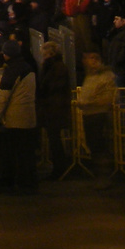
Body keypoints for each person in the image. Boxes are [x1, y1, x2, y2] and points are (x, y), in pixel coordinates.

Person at [0, 41, 38, 195]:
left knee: (8, 154)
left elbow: (3, 96)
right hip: (28, 116)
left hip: (14, 119)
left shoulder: (12, 71)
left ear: (6, 54)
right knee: (26, 154)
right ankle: (28, 183)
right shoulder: (28, 67)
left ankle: (8, 184)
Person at [77, 49, 117, 182]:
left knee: (100, 147)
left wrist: (87, 103)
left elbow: (107, 98)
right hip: (89, 115)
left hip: (99, 115)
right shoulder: (90, 76)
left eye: (94, 58)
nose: (91, 61)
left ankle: (104, 177)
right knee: (93, 146)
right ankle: (98, 175)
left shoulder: (106, 76)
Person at [37, 40, 72, 179]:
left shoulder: (55, 67)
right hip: (54, 108)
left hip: (54, 108)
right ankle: (58, 167)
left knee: (54, 139)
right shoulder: (55, 67)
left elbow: (50, 87)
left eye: (45, 54)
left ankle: (59, 168)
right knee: (54, 139)